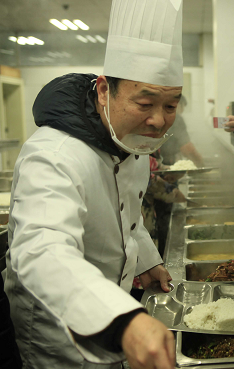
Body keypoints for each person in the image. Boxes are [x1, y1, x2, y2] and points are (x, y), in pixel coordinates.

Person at [4, 0, 183, 368]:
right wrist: (122, 321)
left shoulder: (127, 140)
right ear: (104, 91)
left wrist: (145, 260)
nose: (158, 121)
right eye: (145, 102)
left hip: (117, 313)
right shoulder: (55, 155)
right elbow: (40, 250)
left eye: (171, 106)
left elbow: (126, 216)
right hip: (58, 336)